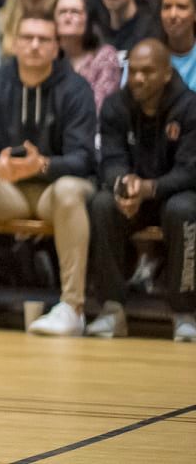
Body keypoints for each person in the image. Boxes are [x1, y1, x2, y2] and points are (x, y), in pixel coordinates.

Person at [0, 15, 97, 336]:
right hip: (7, 190)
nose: (34, 45)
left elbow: (83, 159)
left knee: (69, 191)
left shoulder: (77, 88)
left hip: (53, 189)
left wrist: (42, 165)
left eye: (43, 40)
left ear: (56, 48)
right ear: (14, 44)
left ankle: (72, 307)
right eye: (27, 38)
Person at [86, 40, 196, 342]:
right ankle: (111, 310)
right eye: (133, 71)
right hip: (136, 194)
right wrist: (124, 184)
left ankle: (185, 313)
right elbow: (110, 161)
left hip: (175, 192)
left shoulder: (189, 107)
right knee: (102, 204)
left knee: (184, 210)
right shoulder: (115, 106)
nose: (137, 78)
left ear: (166, 74)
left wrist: (149, 188)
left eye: (147, 72)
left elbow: (190, 171)